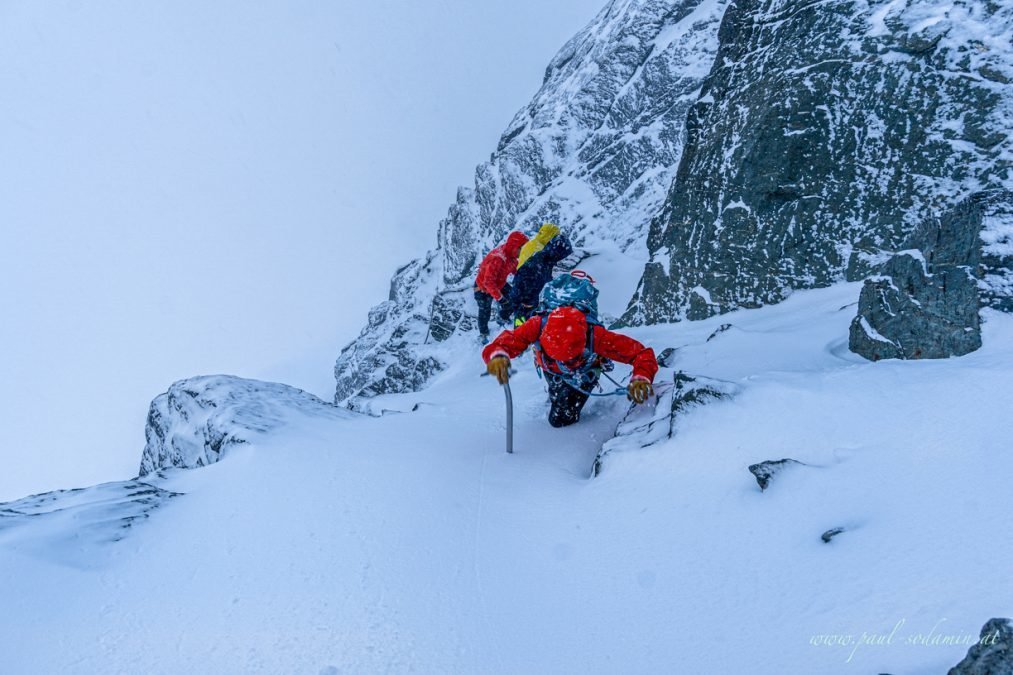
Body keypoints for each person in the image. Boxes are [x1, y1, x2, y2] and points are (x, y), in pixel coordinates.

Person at [482, 298, 657, 428]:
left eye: (569, 357)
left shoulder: (595, 335)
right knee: (557, 396)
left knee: (560, 420)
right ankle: (559, 395)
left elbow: (641, 354)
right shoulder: (536, 325)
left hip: (581, 373)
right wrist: (497, 356)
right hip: (553, 370)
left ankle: (567, 402)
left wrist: (641, 377)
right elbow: (504, 344)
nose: (564, 361)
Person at [474, 231, 529, 342]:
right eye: (521, 248)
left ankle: (502, 317)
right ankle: (483, 334)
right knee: (485, 311)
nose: (522, 252)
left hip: (499, 283)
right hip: (483, 288)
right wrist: (500, 298)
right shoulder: (498, 259)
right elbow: (488, 282)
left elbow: (513, 268)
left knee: (512, 299)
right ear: (514, 247)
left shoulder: (511, 256)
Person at [507, 233, 573, 324]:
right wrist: (519, 307)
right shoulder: (536, 265)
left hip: (539, 309)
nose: (563, 260)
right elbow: (517, 290)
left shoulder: (547, 262)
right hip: (526, 310)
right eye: (563, 256)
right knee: (523, 334)